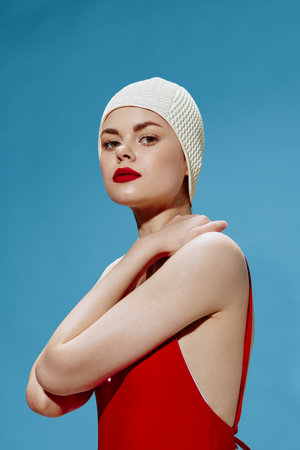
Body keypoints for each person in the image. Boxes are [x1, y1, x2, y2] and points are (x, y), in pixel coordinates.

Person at [26, 77, 254, 450]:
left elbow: (56, 372)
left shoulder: (210, 254)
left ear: (186, 159)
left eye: (147, 138)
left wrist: (140, 254)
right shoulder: (125, 271)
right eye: (110, 142)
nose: (123, 153)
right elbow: (42, 397)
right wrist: (141, 254)